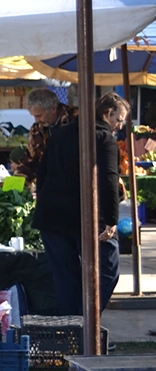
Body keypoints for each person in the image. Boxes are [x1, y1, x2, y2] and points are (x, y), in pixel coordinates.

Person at [33, 93, 128, 316]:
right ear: (107, 114)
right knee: (108, 267)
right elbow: (108, 179)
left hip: (52, 216)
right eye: (119, 119)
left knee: (66, 277)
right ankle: (86, 321)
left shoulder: (61, 133)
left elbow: (42, 173)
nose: (120, 125)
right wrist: (112, 220)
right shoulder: (104, 139)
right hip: (85, 215)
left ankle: (73, 328)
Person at [14, 88, 76, 185]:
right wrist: (14, 185)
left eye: (39, 116)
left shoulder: (77, 119)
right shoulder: (37, 129)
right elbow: (31, 161)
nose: (36, 120)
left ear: (53, 109)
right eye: (34, 116)